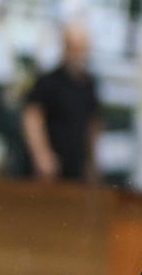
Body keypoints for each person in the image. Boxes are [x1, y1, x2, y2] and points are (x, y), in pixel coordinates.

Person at [21, 23, 101, 183]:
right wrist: (41, 154)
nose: (77, 54)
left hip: (76, 167)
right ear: (65, 47)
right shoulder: (48, 81)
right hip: (49, 167)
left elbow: (93, 123)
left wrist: (91, 161)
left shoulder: (89, 84)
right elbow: (32, 117)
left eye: (81, 48)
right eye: (73, 48)